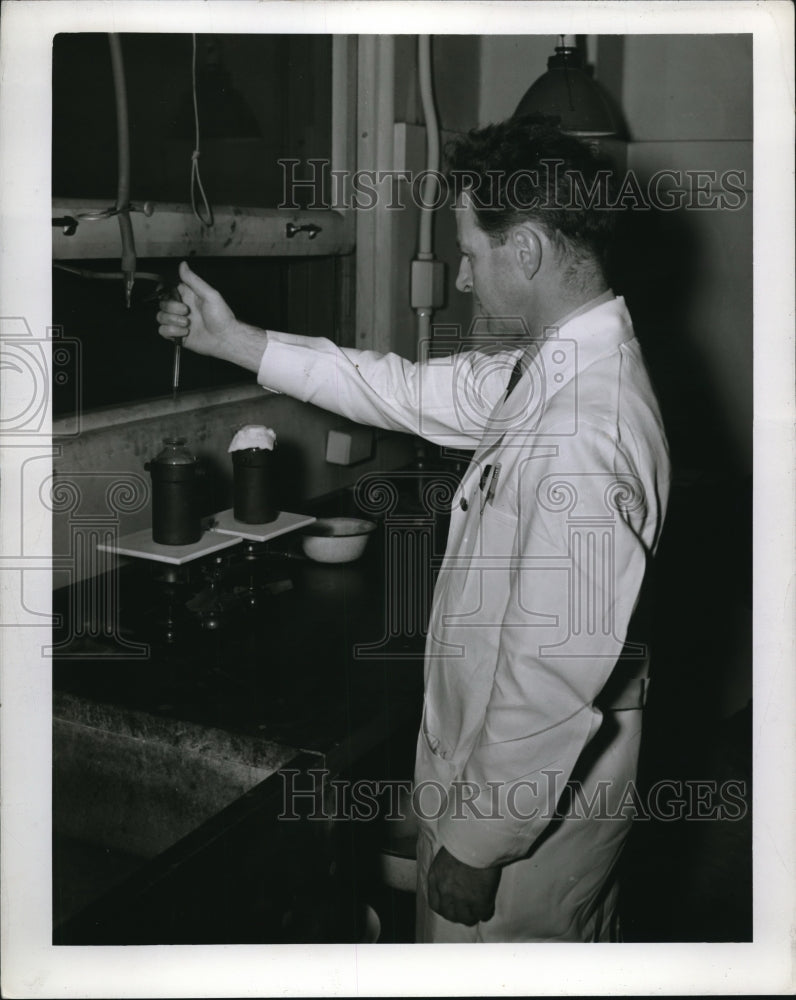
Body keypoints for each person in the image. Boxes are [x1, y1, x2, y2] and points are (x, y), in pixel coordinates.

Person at [158, 114, 670, 943]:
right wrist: (239, 342)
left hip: (522, 835)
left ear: (528, 251)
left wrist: (476, 844)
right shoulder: (554, 367)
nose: (463, 280)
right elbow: (399, 389)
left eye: (470, 253)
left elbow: (552, 668)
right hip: (503, 789)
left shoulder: (586, 429)